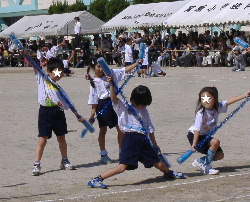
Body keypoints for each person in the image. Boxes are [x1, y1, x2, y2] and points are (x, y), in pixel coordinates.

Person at [88, 82, 181, 188]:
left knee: (158, 163)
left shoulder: (144, 111)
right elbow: (113, 98)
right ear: (133, 100)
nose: (144, 106)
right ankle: (97, 179)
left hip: (143, 140)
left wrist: (155, 144)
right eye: (142, 104)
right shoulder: (123, 107)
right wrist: (112, 85)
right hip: (130, 139)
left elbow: (150, 128)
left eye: (145, 104)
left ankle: (169, 173)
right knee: (122, 167)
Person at [87, 58, 142, 164]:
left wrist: (136, 63)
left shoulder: (111, 73)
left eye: (103, 66)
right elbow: (94, 99)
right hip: (102, 105)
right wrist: (92, 114)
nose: (101, 69)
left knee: (120, 128)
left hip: (114, 102)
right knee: (103, 130)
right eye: (98, 67)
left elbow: (124, 70)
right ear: (93, 68)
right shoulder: (93, 82)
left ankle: (122, 152)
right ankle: (103, 154)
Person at [32, 57, 80, 176]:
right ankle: (37, 164)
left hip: (58, 113)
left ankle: (65, 160)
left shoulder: (59, 89)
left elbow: (69, 103)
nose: (60, 74)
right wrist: (26, 53)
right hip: (45, 113)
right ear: (49, 71)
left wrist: (77, 115)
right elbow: (34, 64)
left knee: (61, 138)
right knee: (42, 139)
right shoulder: (42, 79)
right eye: (58, 71)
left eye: (62, 71)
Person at [187, 86, 250, 175]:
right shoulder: (201, 113)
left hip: (205, 136)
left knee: (219, 155)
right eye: (203, 99)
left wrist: (244, 95)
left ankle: (199, 161)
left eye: (209, 98)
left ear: (215, 99)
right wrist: (194, 144)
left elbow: (229, 102)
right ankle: (206, 167)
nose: (206, 101)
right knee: (215, 142)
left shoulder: (217, 108)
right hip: (195, 136)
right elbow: (197, 129)